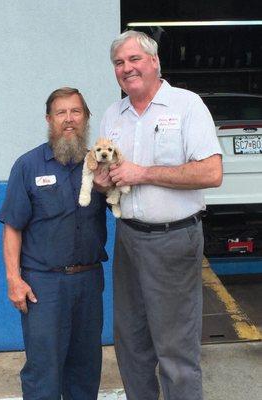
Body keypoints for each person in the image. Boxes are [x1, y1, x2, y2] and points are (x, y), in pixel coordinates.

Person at [98, 31, 223, 400]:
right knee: (131, 344)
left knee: (175, 349)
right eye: (119, 63)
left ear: (154, 62)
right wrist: (105, 181)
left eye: (134, 59)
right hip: (129, 239)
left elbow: (211, 173)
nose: (126, 69)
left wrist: (143, 173)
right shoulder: (113, 114)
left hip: (174, 239)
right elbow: (110, 181)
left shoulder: (186, 106)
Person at [0, 87, 108, 400]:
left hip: (88, 281)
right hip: (43, 286)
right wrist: (13, 280)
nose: (69, 119)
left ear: (86, 118)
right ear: (49, 119)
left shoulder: (99, 164)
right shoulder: (28, 166)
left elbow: (122, 205)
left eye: (76, 112)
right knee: (43, 370)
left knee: (86, 368)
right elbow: (13, 227)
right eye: (61, 113)